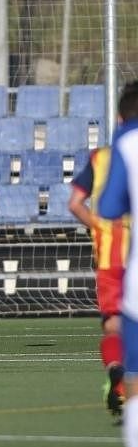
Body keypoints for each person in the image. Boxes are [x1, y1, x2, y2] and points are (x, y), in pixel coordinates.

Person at [69, 144, 130, 420]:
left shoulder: (100, 157)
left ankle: (116, 374)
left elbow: (74, 204)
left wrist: (99, 227)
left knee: (114, 326)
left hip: (109, 259)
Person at [98, 80, 138, 447]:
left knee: (133, 378)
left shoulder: (121, 147)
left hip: (128, 274)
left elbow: (107, 208)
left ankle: (117, 378)